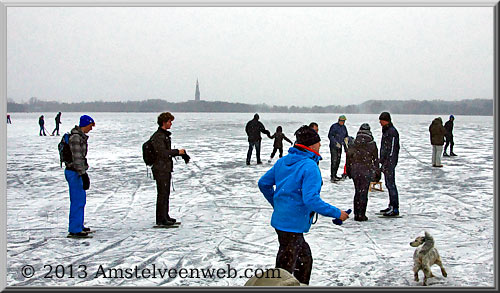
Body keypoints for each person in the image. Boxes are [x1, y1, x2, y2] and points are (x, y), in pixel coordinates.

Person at [258, 125, 350, 285]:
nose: (321, 145)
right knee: (284, 270)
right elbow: (311, 200)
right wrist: (337, 213)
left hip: (282, 222)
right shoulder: (309, 166)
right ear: (311, 145)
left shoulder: (283, 161)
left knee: (304, 260)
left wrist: (279, 205)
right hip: (292, 225)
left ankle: (301, 285)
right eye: (318, 142)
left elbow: (263, 183)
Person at [150, 112, 186, 226]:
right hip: (160, 169)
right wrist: (177, 152)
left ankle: (165, 216)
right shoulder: (158, 136)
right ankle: (161, 219)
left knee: (165, 193)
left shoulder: (164, 135)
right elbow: (162, 152)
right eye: (170, 121)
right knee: (162, 193)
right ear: (164, 122)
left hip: (165, 168)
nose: (171, 124)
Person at [64, 115, 95, 238]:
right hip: (74, 172)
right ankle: (75, 229)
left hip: (77, 171)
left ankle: (78, 225)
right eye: (90, 126)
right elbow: (77, 158)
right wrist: (83, 174)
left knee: (80, 200)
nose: (91, 129)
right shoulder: (76, 138)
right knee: (77, 200)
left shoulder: (79, 137)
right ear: (85, 124)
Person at [346, 124, 380, 221]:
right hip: (366, 170)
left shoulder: (353, 143)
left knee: (357, 191)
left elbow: (349, 157)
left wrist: (348, 170)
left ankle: (357, 214)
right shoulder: (372, 144)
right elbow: (375, 159)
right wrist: (377, 172)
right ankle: (362, 214)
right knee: (364, 192)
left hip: (355, 170)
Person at [378, 112, 400, 217]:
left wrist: (387, 162)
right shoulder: (386, 130)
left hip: (390, 162)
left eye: (381, 120)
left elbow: (391, 149)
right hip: (386, 161)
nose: (380, 122)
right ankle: (391, 205)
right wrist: (381, 159)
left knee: (391, 184)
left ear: (386, 120)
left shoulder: (392, 132)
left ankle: (395, 208)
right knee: (388, 184)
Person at [328, 115, 348, 181]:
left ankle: (335, 175)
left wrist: (346, 147)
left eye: (344, 121)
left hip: (340, 146)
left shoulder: (344, 128)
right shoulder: (334, 126)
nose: (343, 122)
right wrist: (335, 143)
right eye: (342, 121)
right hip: (333, 146)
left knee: (338, 161)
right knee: (334, 160)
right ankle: (332, 176)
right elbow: (330, 136)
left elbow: (346, 137)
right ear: (339, 120)